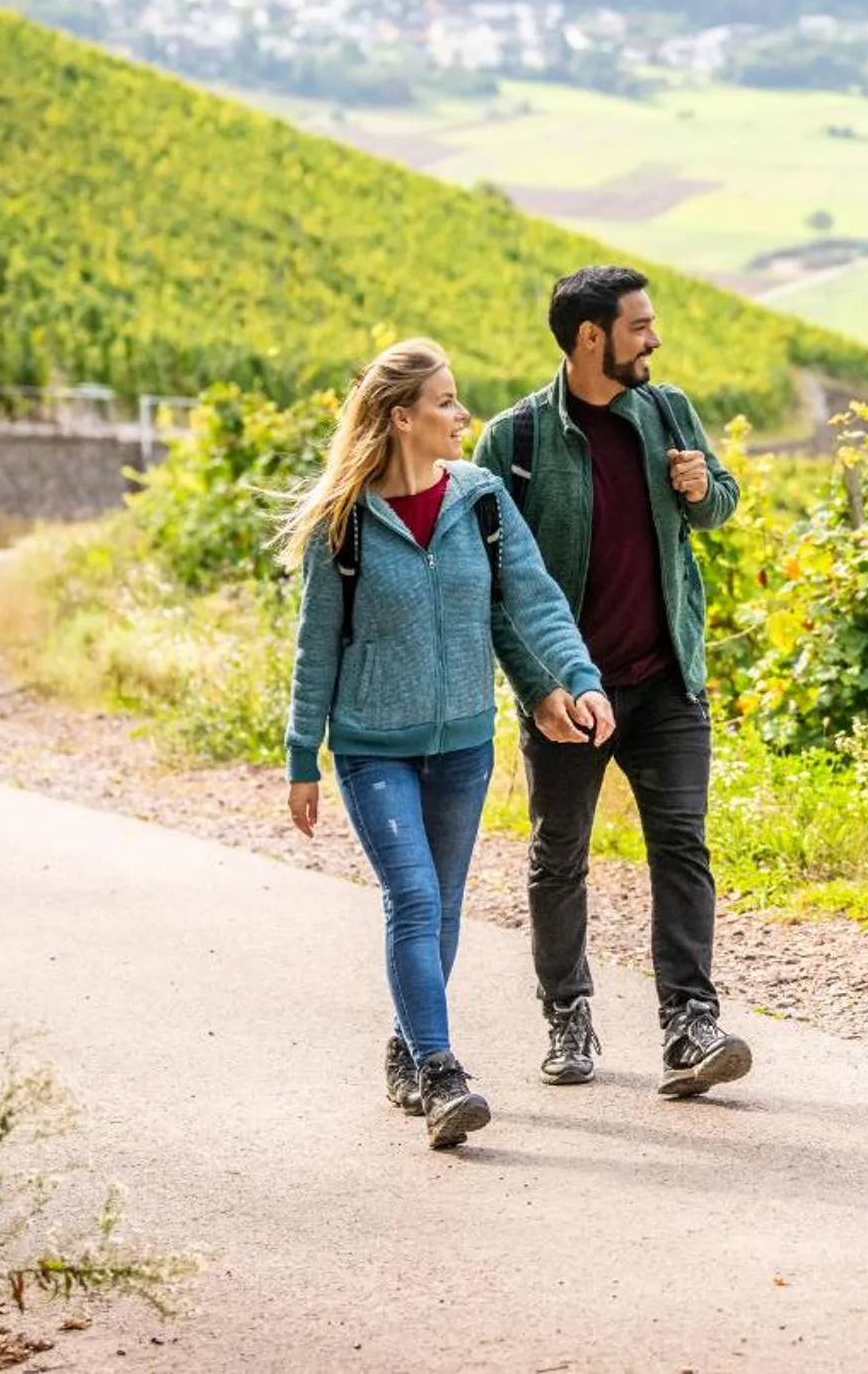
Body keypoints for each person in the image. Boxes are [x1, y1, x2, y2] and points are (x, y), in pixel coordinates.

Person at [278, 338, 614, 1151]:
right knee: (416, 900)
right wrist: (302, 757)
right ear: (403, 417)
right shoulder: (345, 524)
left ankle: (404, 1042)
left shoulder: (483, 500)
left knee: (445, 908)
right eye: (446, 403)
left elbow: (533, 600)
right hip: (372, 747)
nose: (463, 415)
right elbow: (316, 643)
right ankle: (440, 1069)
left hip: (463, 742)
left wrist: (579, 675)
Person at [474, 265, 752, 1099]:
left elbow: (717, 507)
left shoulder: (666, 409)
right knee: (560, 855)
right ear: (590, 336)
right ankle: (568, 1015)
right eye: (640, 327)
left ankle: (690, 1024)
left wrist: (708, 489)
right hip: (569, 693)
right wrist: (539, 689)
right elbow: (493, 585)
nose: (654, 339)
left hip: (667, 676)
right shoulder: (514, 442)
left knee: (683, 843)